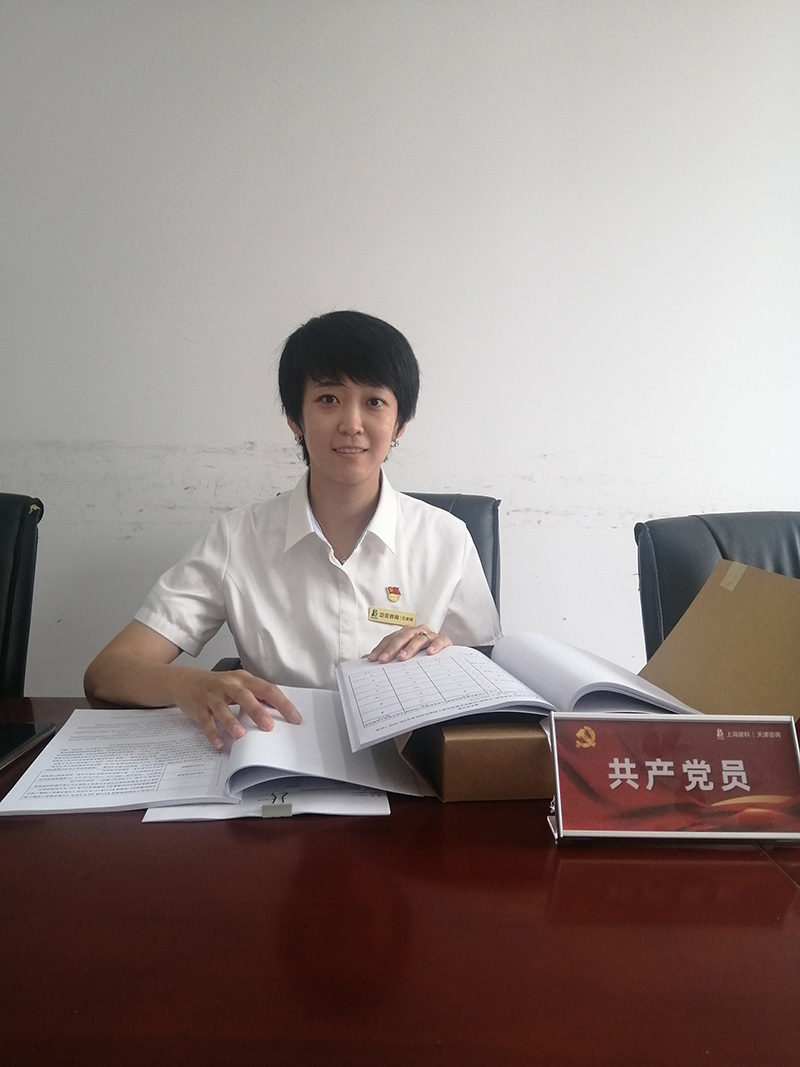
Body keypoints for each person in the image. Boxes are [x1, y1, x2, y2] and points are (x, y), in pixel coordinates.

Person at [84, 310, 501, 748]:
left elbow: (495, 685)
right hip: (276, 767)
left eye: (374, 402)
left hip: (408, 763)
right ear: (294, 419)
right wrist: (188, 684)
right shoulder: (237, 539)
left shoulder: (447, 539)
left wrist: (444, 658)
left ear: (400, 424)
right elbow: (107, 672)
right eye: (328, 399)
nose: (351, 424)